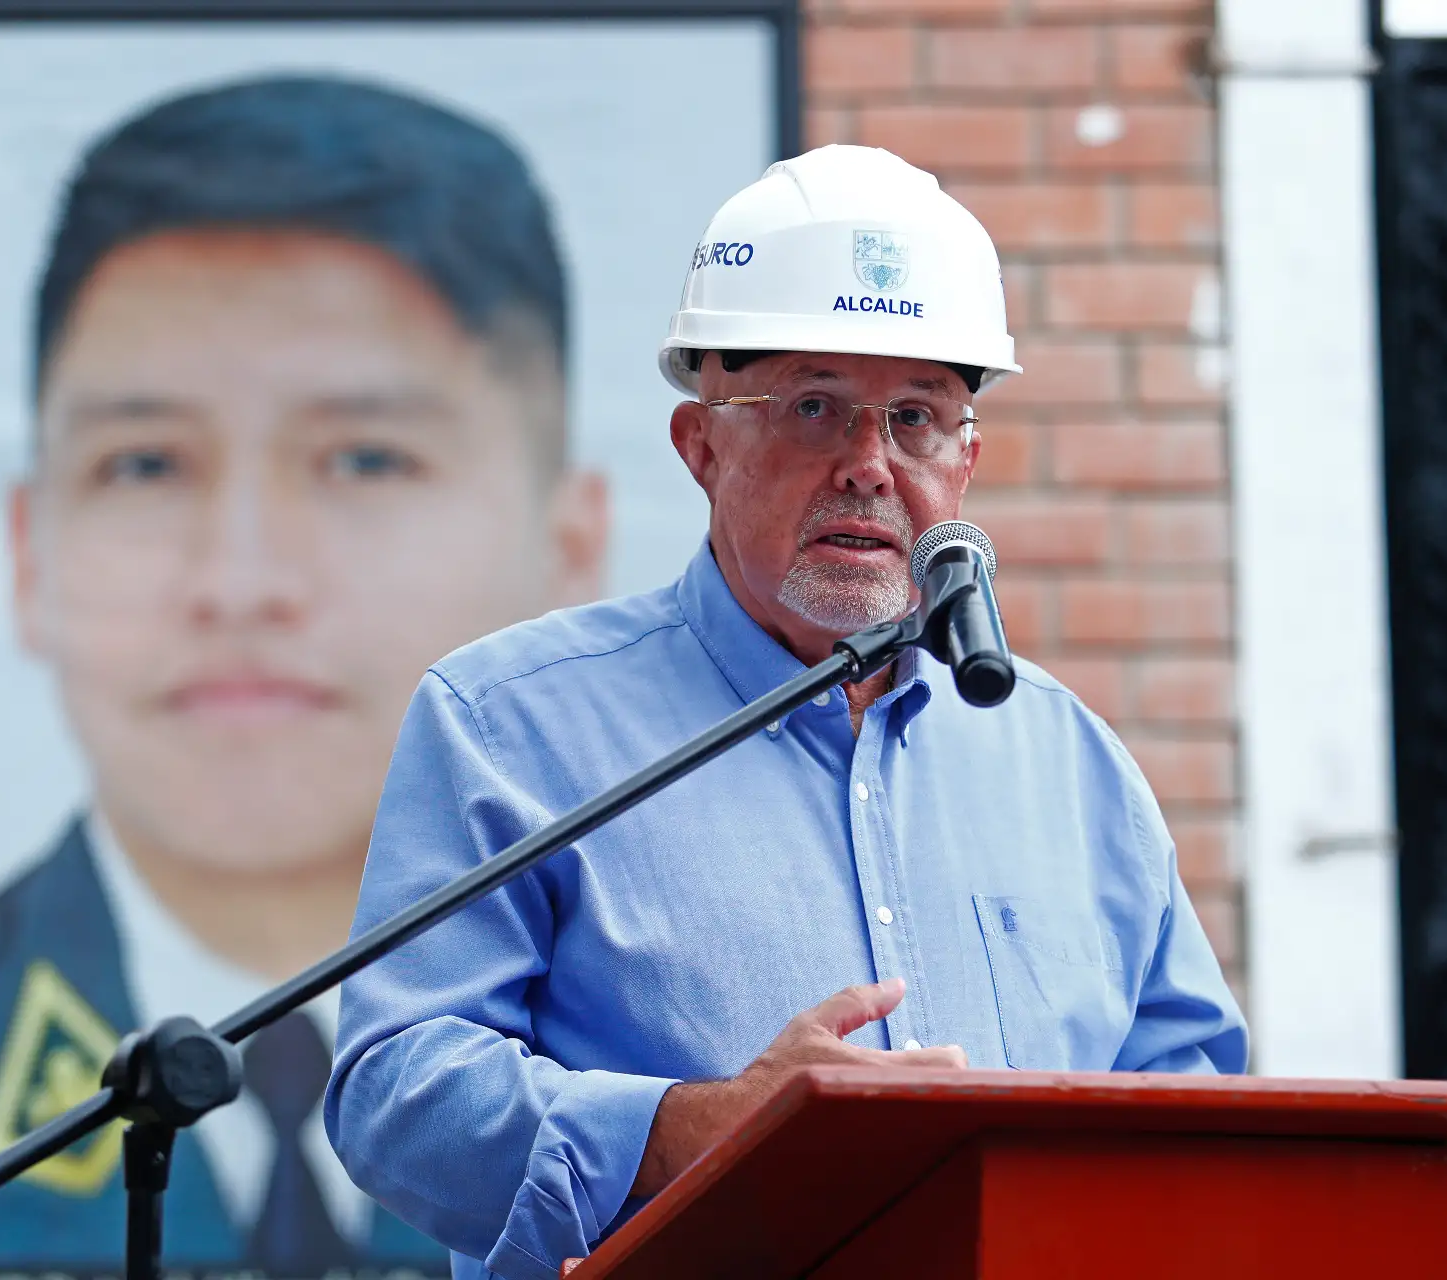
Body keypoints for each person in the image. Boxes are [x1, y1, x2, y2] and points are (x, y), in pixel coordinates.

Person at [325, 143, 1248, 1280]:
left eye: (917, 416)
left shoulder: (1068, 761)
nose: (869, 464)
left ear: (966, 462)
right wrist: (690, 1129)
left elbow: (1196, 1113)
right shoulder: (509, 723)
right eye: (816, 407)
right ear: (701, 443)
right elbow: (395, 1087)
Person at [0, 76, 607, 1274]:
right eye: (145, 464)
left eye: (365, 457)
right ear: (30, 551)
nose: (241, 582)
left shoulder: (649, 1036)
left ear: (571, 547)